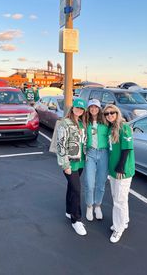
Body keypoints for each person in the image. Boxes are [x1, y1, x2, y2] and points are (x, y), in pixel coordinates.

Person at [103, 104, 135, 243]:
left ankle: (118, 228)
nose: (109, 115)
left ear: (117, 113)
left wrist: (121, 167)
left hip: (122, 170)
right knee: (119, 198)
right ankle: (124, 221)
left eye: (112, 113)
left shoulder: (124, 127)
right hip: (113, 169)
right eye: (107, 114)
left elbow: (127, 149)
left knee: (118, 201)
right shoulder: (110, 128)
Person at [56, 98, 87, 236]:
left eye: (81, 109)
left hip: (80, 162)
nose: (79, 110)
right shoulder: (65, 123)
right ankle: (76, 220)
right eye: (77, 108)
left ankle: (69, 211)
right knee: (76, 190)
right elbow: (60, 144)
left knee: (72, 188)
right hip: (70, 163)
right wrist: (64, 164)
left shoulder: (82, 123)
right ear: (72, 108)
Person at [84, 99, 109, 221]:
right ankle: (89, 206)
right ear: (88, 108)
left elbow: (117, 126)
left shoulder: (105, 121)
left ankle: (97, 206)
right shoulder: (85, 121)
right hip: (91, 153)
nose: (93, 109)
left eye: (96, 107)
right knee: (89, 183)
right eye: (91, 107)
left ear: (99, 108)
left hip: (103, 153)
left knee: (101, 183)